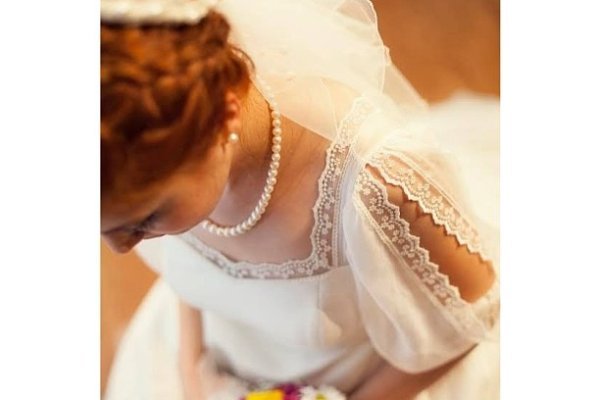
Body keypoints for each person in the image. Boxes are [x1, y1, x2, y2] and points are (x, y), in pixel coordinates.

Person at [101, 0, 500, 399]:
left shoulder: (375, 185)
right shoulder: (149, 172)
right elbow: (185, 269)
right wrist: (193, 374)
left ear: (222, 117)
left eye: (145, 219)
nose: (119, 248)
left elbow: (472, 317)